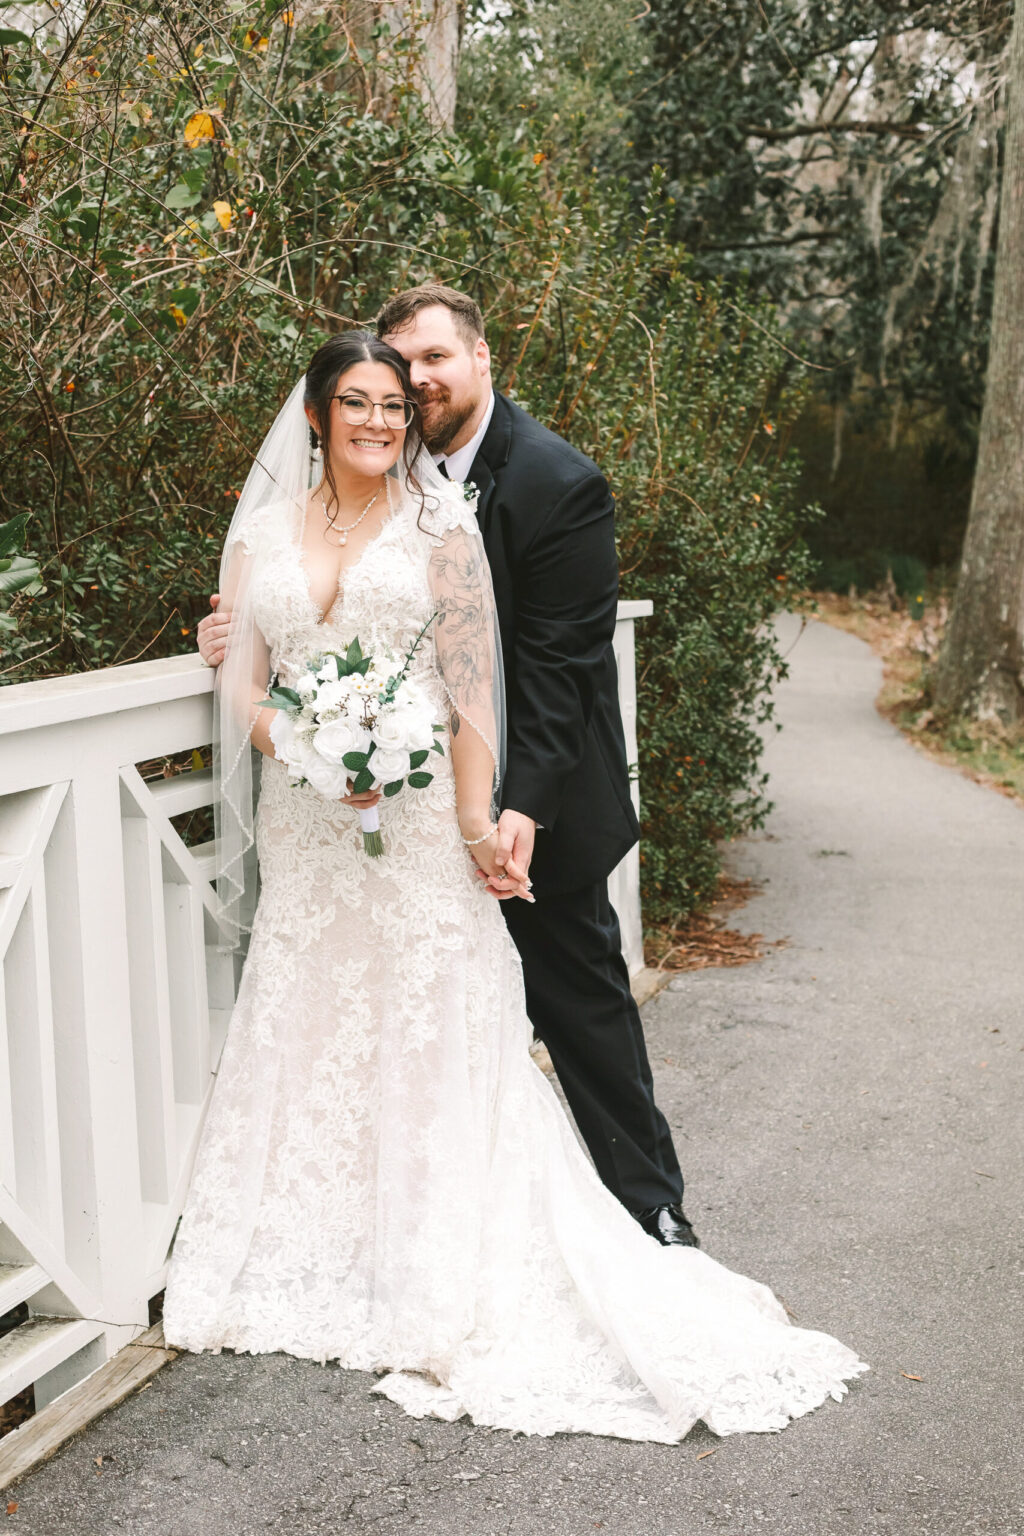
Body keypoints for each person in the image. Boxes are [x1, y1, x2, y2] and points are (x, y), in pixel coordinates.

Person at [165, 330, 866, 1440]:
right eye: (356, 402)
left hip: (421, 825)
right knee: (312, 1022)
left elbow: (475, 693)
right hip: (312, 829)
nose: (380, 422)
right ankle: (320, 1252)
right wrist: (303, 741)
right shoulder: (257, 535)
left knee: (442, 1025)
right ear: (314, 415)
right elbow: (243, 681)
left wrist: (477, 824)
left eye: (395, 404)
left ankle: (521, 1245)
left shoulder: (445, 526)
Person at [199, 285, 692, 1245]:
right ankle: (368, 1222)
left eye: (431, 361)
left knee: (575, 1000)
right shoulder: (347, 473)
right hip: (345, 805)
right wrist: (237, 634)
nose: (411, 384)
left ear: (480, 358)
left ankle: (651, 1207)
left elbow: (559, 669)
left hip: (534, 793)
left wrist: (514, 811)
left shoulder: (557, 482)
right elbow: (298, 602)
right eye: (395, 367)